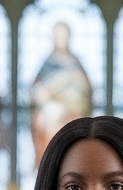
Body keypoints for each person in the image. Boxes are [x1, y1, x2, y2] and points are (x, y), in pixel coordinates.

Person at [30, 22, 92, 170]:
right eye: (58, 36)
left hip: (72, 116)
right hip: (50, 121)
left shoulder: (76, 63)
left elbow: (86, 92)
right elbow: (38, 93)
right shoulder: (47, 64)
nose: (61, 40)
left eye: (64, 36)